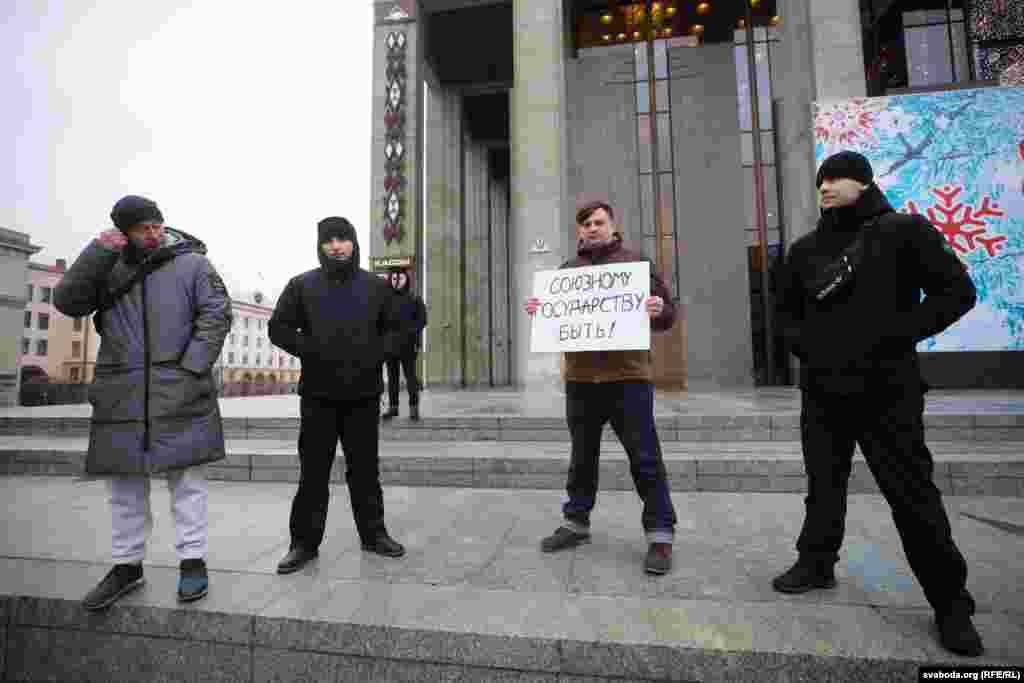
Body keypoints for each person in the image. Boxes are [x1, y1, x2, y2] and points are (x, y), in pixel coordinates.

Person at [773, 151, 983, 657]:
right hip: (823, 393)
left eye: (837, 178)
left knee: (913, 498)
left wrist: (895, 334)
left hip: (888, 392)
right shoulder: (805, 249)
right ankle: (817, 562)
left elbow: (957, 292)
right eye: (821, 179)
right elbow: (786, 315)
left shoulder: (904, 231)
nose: (825, 186)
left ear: (864, 183)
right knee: (824, 486)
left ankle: (950, 602)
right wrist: (808, 348)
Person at [54, 195, 231, 610]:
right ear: (123, 232)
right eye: (142, 228)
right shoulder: (108, 266)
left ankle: (192, 561)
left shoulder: (194, 264)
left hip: (180, 387)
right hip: (122, 393)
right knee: (124, 486)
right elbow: (67, 302)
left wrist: (191, 369)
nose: (153, 234)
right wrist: (99, 251)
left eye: (157, 225)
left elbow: (216, 314)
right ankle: (126, 565)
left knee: (187, 483)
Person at [525, 199, 678, 575]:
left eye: (598, 222)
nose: (591, 228)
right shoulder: (566, 271)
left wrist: (659, 310)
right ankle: (576, 522)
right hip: (580, 382)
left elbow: (668, 314)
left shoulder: (636, 265)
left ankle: (660, 534)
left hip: (628, 379)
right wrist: (540, 309)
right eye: (585, 224)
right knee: (582, 457)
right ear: (579, 231)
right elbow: (554, 316)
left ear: (612, 225)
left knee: (645, 457)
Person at [269, 216, 407, 574]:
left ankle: (374, 535)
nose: (335, 246)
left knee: (364, 471)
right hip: (318, 395)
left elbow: (398, 330)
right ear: (320, 245)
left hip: (362, 395)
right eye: (328, 240)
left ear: (353, 242)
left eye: (342, 239)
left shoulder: (376, 287)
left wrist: (375, 352)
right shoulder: (302, 285)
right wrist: (310, 348)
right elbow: (278, 327)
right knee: (313, 473)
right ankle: (303, 543)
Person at [381, 269, 427, 421]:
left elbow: (422, 320)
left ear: (406, 279)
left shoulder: (414, 298)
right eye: (394, 278)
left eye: (400, 278)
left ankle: (414, 408)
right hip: (389, 345)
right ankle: (393, 408)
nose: (397, 281)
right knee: (392, 379)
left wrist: (411, 332)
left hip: (408, 344)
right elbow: (378, 322)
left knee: (410, 377)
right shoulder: (385, 300)